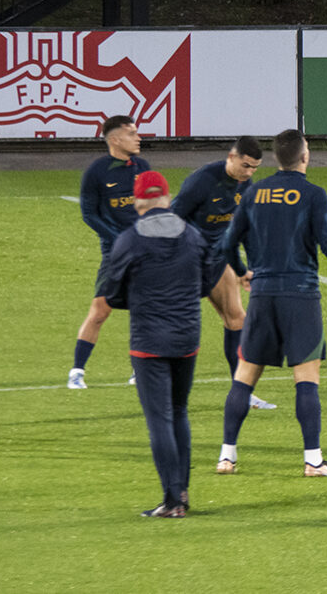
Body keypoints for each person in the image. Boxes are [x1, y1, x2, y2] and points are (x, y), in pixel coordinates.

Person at [216, 130, 327, 477]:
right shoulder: (313, 195)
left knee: (245, 376)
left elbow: (228, 243)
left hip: (262, 296)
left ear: (276, 158)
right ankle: (313, 460)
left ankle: (226, 456)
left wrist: (244, 272)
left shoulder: (253, 191)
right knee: (306, 378)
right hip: (300, 295)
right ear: (304, 157)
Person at [99, 171, 229, 516]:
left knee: (159, 418)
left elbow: (112, 293)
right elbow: (206, 282)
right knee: (180, 411)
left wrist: (141, 299)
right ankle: (182, 493)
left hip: (148, 340)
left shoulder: (129, 240)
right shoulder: (193, 235)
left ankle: (171, 501)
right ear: (167, 199)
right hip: (188, 336)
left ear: (138, 201)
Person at [170, 136, 277, 410]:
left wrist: (247, 269)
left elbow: (245, 228)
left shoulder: (246, 184)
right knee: (176, 323)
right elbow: (172, 220)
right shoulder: (202, 181)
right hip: (187, 262)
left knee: (237, 319)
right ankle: (147, 370)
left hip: (218, 262)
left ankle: (242, 391)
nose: (249, 172)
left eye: (254, 167)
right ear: (231, 157)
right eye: (245, 165)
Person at [69, 115, 151, 390]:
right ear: (114, 139)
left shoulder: (143, 166)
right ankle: (77, 372)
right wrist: (119, 240)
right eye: (132, 133)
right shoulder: (96, 172)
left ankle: (138, 372)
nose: (138, 137)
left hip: (145, 252)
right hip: (115, 255)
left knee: (144, 311)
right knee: (100, 311)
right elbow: (89, 214)